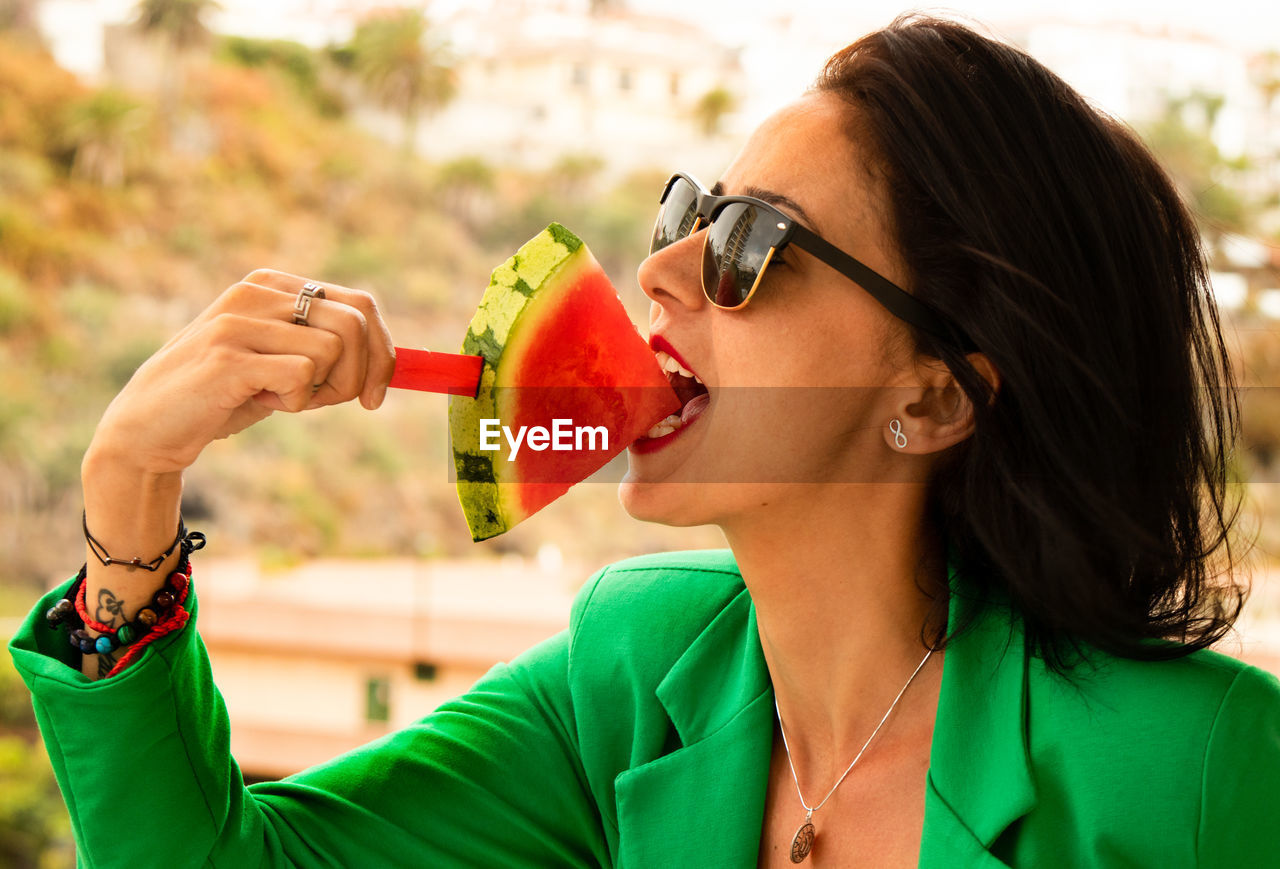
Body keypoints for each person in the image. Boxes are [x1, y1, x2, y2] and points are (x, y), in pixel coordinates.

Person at [10, 14, 1280, 868]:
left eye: (748, 246)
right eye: (688, 206)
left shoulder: (1200, 766)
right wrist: (131, 485)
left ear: (934, 397)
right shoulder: (633, 672)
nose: (659, 267)